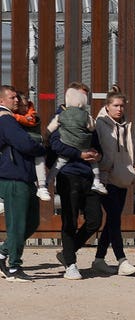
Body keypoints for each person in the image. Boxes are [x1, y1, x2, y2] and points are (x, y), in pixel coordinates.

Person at [50, 88, 104, 280]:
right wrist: (79, 154)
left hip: (88, 176)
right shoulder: (60, 118)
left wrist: (97, 154)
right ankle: (70, 264)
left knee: (95, 220)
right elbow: (54, 144)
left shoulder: (88, 120)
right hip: (68, 175)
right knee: (70, 221)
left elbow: (97, 145)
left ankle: (66, 253)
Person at [90, 84, 135, 276]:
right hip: (106, 177)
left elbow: (130, 150)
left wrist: (133, 168)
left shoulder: (126, 125)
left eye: (122, 106)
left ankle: (99, 259)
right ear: (107, 106)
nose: (120, 109)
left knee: (112, 219)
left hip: (123, 176)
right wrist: (103, 167)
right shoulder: (100, 124)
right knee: (114, 219)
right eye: (116, 105)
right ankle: (122, 259)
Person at [0, 85, 46, 282]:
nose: (16, 100)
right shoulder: (6, 119)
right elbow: (25, 144)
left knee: (32, 222)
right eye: (12, 98)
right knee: (17, 225)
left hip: (24, 177)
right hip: (14, 178)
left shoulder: (13, 119)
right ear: (2, 101)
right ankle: (14, 268)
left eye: (17, 97)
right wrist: (41, 148)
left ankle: (2, 253)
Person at [46, 87, 107, 194]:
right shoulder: (86, 116)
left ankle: (47, 182)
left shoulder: (60, 116)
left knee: (58, 163)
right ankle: (97, 182)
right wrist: (80, 154)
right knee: (93, 164)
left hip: (85, 173)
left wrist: (98, 154)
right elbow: (56, 145)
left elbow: (50, 129)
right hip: (69, 173)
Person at [12, 91, 50, 201]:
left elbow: (31, 122)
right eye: (21, 106)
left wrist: (15, 116)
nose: (24, 108)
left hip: (34, 145)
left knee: (39, 160)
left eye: (26, 105)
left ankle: (42, 186)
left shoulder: (32, 115)